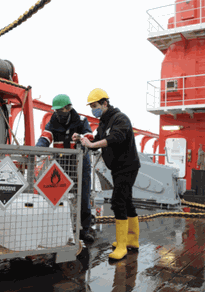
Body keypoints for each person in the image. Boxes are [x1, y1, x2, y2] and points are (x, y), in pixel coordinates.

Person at [77, 88, 141, 260]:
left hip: (127, 166)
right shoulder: (104, 122)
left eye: (95, 106)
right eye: (91, 106)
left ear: (105, 103)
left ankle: (122, 246)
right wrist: (84, 141)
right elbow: (97, 142)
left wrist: (91, 145)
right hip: (117, 167)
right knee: (126, 202)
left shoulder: (120, 119)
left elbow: (115, 138)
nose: (93, 109)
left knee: (118, 201)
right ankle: (132, 241)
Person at [36, 94, 95, 243]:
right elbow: (46, 136)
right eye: (56, 110)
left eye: (60, 110)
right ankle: (60, 228)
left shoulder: (81, 121)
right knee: (58, 195)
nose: (58, 113)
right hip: (61, 164)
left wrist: (80, 137)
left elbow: (89, 137)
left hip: (80, 163)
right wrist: (38, 148)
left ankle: (84, 230)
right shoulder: (53, 121)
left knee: (83, 196)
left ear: (68, 108)